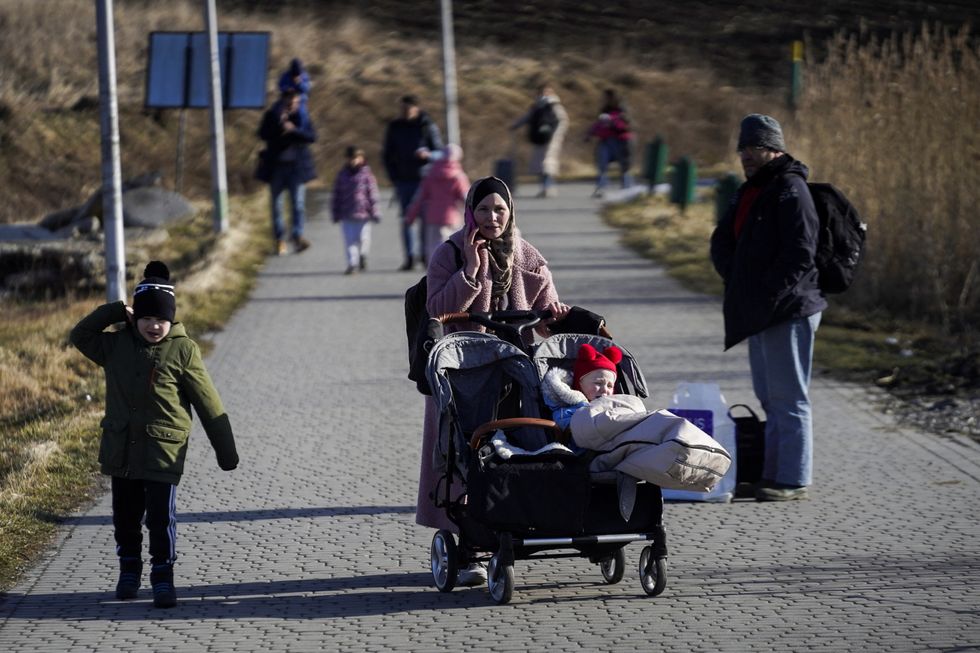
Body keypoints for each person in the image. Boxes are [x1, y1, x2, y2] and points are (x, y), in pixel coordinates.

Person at [416, 176, 570, 585]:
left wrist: (554, 313)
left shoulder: (525, 252)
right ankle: (469, 547)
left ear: (510, 211)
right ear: (470, 212)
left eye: (499, 209)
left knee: (519, 448)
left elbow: (545, 319)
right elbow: (437, 308)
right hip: (466, 371)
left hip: (516, 370)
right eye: (482, 209)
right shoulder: (448, 252)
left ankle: (515, 525)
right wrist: (471, 268)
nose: (491, 217)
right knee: (467, 453)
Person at [69, 261, 239, 608]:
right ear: (135, 318)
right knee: (125, 517)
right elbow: (80, 336)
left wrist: (226, 452)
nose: (154, 325)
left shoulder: (183, 350)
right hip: (122, 450)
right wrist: (116, 310)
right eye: (146, 318)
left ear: (171, 319)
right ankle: (129, 570)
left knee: (161, 518)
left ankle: (163, 576)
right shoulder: (114, 346)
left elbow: (209, 402)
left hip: (163, 451)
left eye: (161, 319)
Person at [709, 113, 826, 502]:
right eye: (742, 148)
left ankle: (793, 478)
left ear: (774, 148)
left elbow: (801, 254)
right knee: (769, 396)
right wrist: (738, 281)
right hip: (761, 308)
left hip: (788, 308)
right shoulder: (751, 190)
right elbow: (724, 240)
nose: (746, 155)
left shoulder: (790, 188)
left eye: (754, 147)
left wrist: (767, 294)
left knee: (789, 397)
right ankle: (772, 475)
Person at [382, 94, 444, 271]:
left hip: (425, 180)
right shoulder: (394, 127)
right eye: (402, 108)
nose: (404, 112)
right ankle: (409, 257)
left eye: (407, 108)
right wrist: (393, 176)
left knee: (425, 220)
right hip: (403, 180)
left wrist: (429, 156)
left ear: (416, 108)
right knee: (406, 218)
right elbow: (387, 154)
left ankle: (425, 255)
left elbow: (440, 152)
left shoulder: (427, 126)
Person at [256, 88, 317, 256]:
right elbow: (262, 134)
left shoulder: (302, 117)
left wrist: (293, 129)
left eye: (295, 100)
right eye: (289, 100)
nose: (292, 103)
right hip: (276, 167)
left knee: (298, 204)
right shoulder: (272, 115)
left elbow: (311, 137)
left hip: (296, 168)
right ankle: (280, 240)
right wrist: (278, 124)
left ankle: (297, 236)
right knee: (277, 205)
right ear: (283, 100)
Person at [404, 143, 470, 264]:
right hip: (452, 217)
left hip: (432, 217)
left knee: (432, 248)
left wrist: (410, 216)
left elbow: (419, 198)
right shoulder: (458, 176)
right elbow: (467, 198)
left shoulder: (430, 175)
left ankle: (433, 273)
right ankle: (448, 274)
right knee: (452, 248)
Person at [509, 83, 569, 198]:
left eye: (546, 92)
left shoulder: (554, 106)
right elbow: (527, 117)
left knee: (547, 163)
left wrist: (557, 135)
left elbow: (563, 121)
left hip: (551, 139)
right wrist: (515, 125)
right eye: (542, 92)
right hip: (539, 139)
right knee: (540, 165)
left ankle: (547, 187)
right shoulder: (537, 107)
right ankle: (546, 187)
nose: (543, 94)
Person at [331, 146, 382, 274]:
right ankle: (352, 264)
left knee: (363, 238)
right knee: (349, 241)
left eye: (356, 158)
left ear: (361, 158)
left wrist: (375, 212)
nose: (353, 161)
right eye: (350, 158)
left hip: (363, 214)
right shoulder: (342, 175)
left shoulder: (367, 175)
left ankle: (363, 255)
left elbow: (373, 194)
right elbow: (336, 195)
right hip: (346, 214)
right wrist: (335, 212)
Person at [584, 89, 635, 197]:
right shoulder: (604, 111)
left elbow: (626, 126)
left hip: (621, 141)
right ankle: (601, 188)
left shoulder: (622, 111)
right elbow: (598, 124)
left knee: (624, 166)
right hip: (606, 141)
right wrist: (589, 134)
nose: (605, 100)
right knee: (602, 164)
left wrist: (612, 122)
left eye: (607, 98)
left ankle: (627, 189)